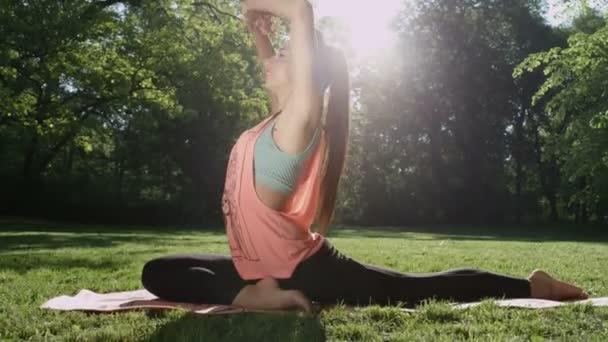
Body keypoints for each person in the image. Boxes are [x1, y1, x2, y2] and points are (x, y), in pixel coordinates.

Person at [141, 0, 587, 313]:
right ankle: (258, 292)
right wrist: (260, 34)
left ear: (306, 72)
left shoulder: (299, 122)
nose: (270, 59)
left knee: (413, 290)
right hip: (264, 269)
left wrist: (255, 6)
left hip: (306, 272)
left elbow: (301, 10)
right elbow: (278, 72)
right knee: (158, 271)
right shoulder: (274, 123)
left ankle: (533, 285)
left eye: (282, 53)